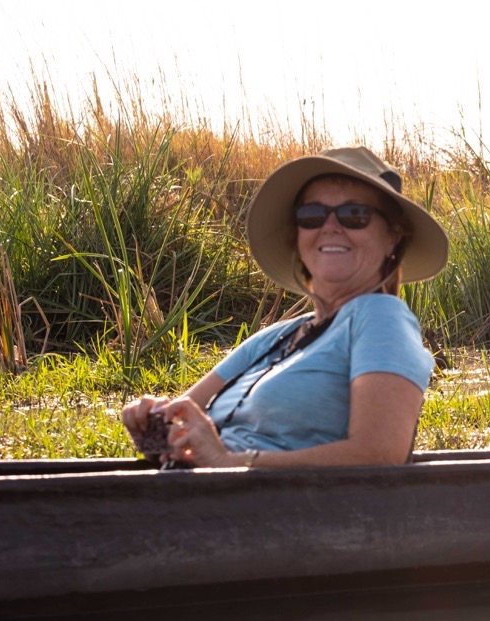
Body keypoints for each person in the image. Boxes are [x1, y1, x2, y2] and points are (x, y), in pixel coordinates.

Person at [121, 146, 448, 468]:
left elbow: (379, 452)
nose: (330, 226)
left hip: (281, 512)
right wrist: (156, 425)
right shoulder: (276, 338)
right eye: (312, 216)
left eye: (354, 215)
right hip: (208, 503)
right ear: (298, 234)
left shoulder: (380, 318)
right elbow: (185, 413)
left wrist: (231, 462)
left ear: (393, 237)